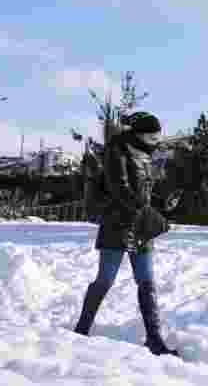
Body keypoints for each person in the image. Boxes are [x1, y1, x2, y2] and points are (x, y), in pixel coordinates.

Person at [73, 111, 178, 357]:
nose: (155, 139)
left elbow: (143, 191)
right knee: (105, 279)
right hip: (116, 225)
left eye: (157, 135)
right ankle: (81, 329)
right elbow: (118, 187)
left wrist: (162, 204)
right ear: (139, 133)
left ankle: (154, 339)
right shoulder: (116, 151)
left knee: (146, 280)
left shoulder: (143, 155)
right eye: (152, 135)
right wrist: (145, 211)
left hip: (140, 226)